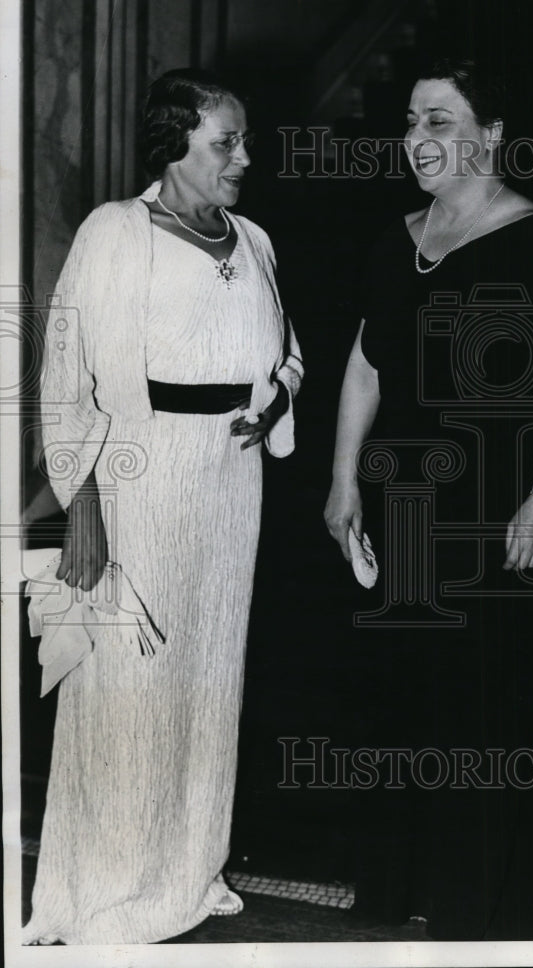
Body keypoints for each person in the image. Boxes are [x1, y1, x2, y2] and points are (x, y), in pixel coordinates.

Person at [23, 69, 303, 945]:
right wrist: (85, 507)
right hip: (138, 484)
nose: (244, 158)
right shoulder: (117, 233)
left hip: (230, 486)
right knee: (127, 689)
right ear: (173, 142)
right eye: (227, 142)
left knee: (211, 678)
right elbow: (69, 379)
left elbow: (289, 351)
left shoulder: (251, 238)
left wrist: (277, 401)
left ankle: (189, 870)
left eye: (244, 141)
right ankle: (104, 887)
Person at [324, 58, 533, 940]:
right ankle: (403, 888)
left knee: (489, 711)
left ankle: (484, 908)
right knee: (404, 704)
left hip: (494, 511)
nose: (417, 139)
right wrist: (340, 482)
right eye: (411, 121)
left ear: (492, 136)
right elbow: (366, 363)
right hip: (403, 508)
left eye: (440, 121)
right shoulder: (393, 236)